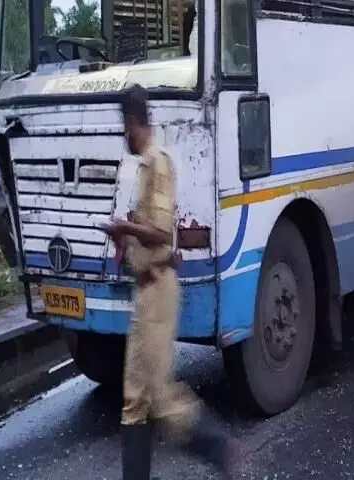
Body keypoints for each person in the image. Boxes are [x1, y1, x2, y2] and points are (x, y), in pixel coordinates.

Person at [102, 85, 242, 479]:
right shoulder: (145, 165)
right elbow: (146, 231)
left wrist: (125, 225)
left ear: (133, 123)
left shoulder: (157, 163)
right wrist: (124, 238)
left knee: (159, 396)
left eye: (123, 126)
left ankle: (219, 446)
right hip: (145, 289)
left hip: (159, 290)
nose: (123, 134)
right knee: (134, 399)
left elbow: (162, 233)